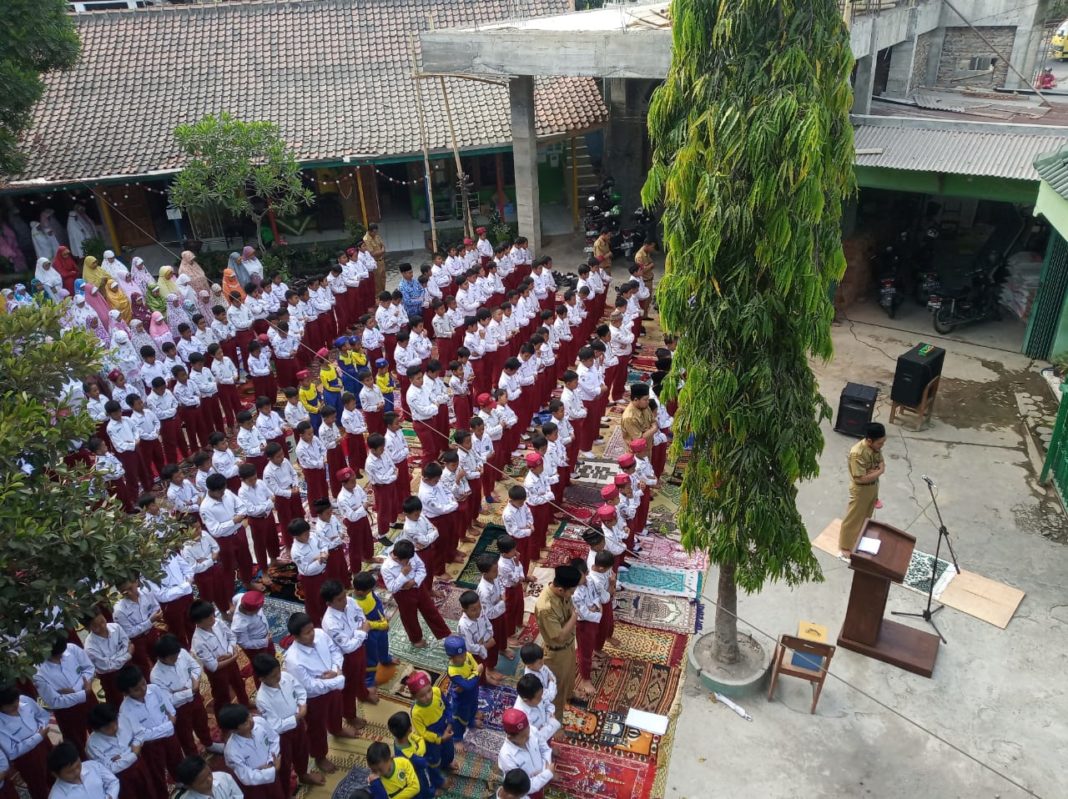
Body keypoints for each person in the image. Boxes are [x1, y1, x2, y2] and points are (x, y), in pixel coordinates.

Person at [282, 612, 358, 775]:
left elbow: (335, 651)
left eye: (312, 629)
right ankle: (319, 756)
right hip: (314, 698)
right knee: (316, 727)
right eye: (307, 633)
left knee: (336, 709)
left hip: (333, 682)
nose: (312, 634)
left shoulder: (321, 635)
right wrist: (337, 680)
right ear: (295, 637)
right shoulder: (293, 659)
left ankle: (336, 728)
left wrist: (335, 670)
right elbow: (310, 686)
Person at [252, 654, 325, 791]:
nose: (278, 677)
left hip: (297, 726)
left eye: (278, 672)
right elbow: (274, 725)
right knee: (284, 763)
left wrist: (302, 704)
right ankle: (285, 790)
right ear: (262, 678)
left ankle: (303, 774)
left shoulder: (285, 677)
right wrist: (297, 717)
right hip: (281, 736)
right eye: (273, 676)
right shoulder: (262, 699)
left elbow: (299, 690)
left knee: (302, 751)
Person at [115, 664, 182, 796]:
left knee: (176, 759)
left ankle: (182, 780)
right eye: (136, 689)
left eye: (143, 683)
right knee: (157, 773)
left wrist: (167, 724)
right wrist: (168, 726)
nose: (143, 689)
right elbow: (142, 735)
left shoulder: (155, 689)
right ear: (126, 693)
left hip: (169, 737)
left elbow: (171, 711)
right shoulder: (125, 710)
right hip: (151, 746)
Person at [151, 634, 219, 759]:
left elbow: (195, 667)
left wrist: (192, 682)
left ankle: (209, 743)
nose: (176, 659)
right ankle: (193, 757)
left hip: (195, 697)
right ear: (161, 658)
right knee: (185, 734)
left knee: (202, 721)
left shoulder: (181, 653)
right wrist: (190, 690)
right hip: (179, 708)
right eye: (172, 658)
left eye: (177, 656)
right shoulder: (156, 675)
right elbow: (168, 699)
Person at [32, 636, 96, 755]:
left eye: (61, 653)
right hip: (67, 712)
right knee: (76, 743)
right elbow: (54, 701)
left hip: (89, 698)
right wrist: (82, 692)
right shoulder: (38, 673)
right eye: (56, 656)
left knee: (100, 727)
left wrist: (74, 691)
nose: (60, 657)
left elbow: (89, 668)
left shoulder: (72, 649)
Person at [532, 565, 579, 720]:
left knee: (570, 675)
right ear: (560, 589)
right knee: (556, 687)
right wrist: (574, 618)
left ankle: (570, 695)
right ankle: (556, 720)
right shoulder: (546, 607)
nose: (572, 595)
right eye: (571, 592)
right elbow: (558, 636)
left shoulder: (563, 594)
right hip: (556, 652)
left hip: (569, 645)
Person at [190, 600, 250, 708]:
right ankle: (224, 717)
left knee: (239, 684)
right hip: (218, 672)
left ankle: (245, 703)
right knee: (222, 695)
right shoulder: (198, 641)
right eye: (208, 618)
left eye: (212, 615)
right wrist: (234, 657)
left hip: (229, 660)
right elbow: (213, 667)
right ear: (198, 623)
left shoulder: (217, 623)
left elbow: (231, 637)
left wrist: (229, 652)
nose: (213, 618)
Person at [839, 422, 887, 559]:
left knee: (866, 516)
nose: (882, 446)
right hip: (861, 490)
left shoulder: (876, 448)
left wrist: (873, 472)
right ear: (869, 440)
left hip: (872, 487)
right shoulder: (857, 453)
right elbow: (860, 478)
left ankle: (858, 538)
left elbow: (880, 461)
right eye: (880, 443)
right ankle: (845, 547)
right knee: (853, 519)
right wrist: (879, 471)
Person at [216, 704, 283, 799]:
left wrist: (271, 762)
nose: (251, 721)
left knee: (277, 794)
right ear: (234, 730)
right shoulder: (232, 751)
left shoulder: (259, 722)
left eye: (249, 716)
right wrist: (270, 771)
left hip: (272, 768)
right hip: (255, 785)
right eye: (245, 723)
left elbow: (274, 739)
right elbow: (246, 776)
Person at [86, 703, 152, 797]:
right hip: (121, 778)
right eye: (108, 728)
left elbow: (140, 734)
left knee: (150, 792)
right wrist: (133, 753)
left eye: (116, 722)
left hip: (140, 766)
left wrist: (122, 757)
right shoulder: (92, 744)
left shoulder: (124, 718)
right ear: (96, 729)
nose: (115, 728)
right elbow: (109, 769)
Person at [0, 682, 53, 799]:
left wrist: (42, 728)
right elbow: (12, 752)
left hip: (44, 741)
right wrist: (38, 737)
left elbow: (43, 715)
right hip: (27, 758)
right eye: (12, 706)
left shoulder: (25, 700)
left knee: (55, 770)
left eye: (17, 701)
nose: (17, 706)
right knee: (38, 785)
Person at [406, 671, 454, 779]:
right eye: (422, 695)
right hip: (432, 737)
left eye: (428, 691)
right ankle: (435, 777)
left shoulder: (436, 692)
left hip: (445, 727)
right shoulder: (416, 712)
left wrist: (450, 723)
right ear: (414, 696)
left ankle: (447, 764)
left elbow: (448, 706)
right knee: (434, 759)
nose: (428, 696)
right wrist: (440, 738)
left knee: (449, 750)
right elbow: (422, 733)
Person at [498, 709, 554, 799]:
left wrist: (545, 768)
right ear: (510, 736)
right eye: (523, 737)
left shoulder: (531, 731)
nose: (528, 738)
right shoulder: (507, 757)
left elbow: (545, 750)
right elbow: (521, 787)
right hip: (527, 793)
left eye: (528, 733)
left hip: (542, 778)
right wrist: (547, 774)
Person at [352, 572, 394, 691]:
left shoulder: (368, 592)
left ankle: (385, 658)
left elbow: (377, 603)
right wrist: (381, 625)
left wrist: (384, 619)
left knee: (383, 644)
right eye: (370, 589)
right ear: (360, 592)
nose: (372, 591)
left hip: (380, 625)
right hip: (369, 632)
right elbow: (364, 624)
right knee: (371, 656)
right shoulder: (354, 605)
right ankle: (368, 681)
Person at [443, 636, 481, 748]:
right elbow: (469, 683)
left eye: (464, 653)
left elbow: (475, 668)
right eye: (460, 656)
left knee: (473, 708)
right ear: (451, 656)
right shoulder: (453, 671)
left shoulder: (468, 656)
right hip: (462, 699)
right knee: (459, 719)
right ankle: (457, 738)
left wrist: (472, 678)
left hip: (473, 693)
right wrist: (476, 674)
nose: (464, 657)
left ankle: (471, 722)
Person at [47, 741, 120, 799]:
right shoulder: (56, 796)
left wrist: (110, 796)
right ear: (56, 775)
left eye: (78, 765)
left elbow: (113, 782)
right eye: (70, 772)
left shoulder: (93, 766)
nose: (77, 772)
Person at [174, 755, 244, 799]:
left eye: (209, 773)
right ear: (189, 786)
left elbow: (238, 795)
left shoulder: (223, 777)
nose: (210, 780)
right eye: (203, 781)